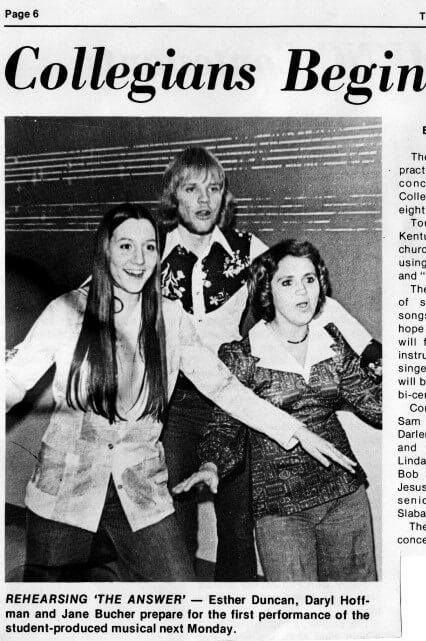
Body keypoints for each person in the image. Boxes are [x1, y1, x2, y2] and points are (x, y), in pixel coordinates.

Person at [5, 204, 350, 582]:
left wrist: (293, 429)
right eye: (126, 247)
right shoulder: (67, 311)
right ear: (106, 251)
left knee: (180, 598)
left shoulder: (170, 318)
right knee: (49, 610)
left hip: (140, 493)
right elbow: (13, 382)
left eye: (149, 247)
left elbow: (224, 386)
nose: (139, 260)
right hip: (64, 492)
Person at [158, 147, 375, 580]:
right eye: (191, 188)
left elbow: (309, 296)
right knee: (176, 528)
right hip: (179, 406)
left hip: (239, 401)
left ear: (224, 198)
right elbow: (98, 291)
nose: (204, 200)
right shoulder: (153, 251)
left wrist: (370, 349)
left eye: (214, 188)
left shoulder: (245, 249)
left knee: (237, 530)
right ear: (174, 196)